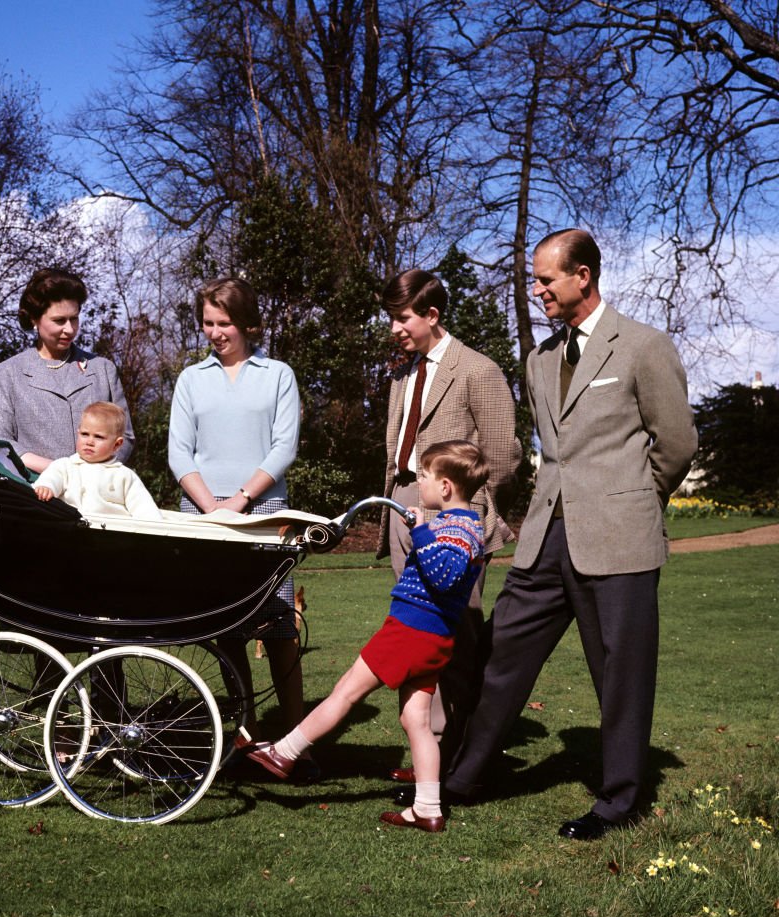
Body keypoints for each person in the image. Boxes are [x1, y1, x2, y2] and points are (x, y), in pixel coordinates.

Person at [443, 228, 699, 840]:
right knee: (500, 649)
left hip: (619, 537)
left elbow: (678, 444)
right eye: (535, 280)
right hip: (544, 536)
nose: (537, 291)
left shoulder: (642, 346)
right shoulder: (538, 360)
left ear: (583, 275)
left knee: (620, 669)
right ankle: (461, 776)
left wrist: (633, 501)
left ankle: (619, 800)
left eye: (546, 279)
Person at [247, 441, 488, 833]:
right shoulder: (460, 524)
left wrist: (422, 532)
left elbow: (445, 575)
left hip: (411, 632)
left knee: (344, 693)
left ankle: (284, 751)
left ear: (445, 486)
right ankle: (427, 807)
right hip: (432, 638)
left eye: (423, 476)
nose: (419, 482)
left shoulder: (458, 528)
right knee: (417, 722)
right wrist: (423, 526)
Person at [378, 268, 521, 792]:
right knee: (416, 626)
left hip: (453, 516)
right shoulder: (402, 373)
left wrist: (464, 511)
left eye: (402, 317)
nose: (394, 327)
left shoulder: (477, 370)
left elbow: (502, 456)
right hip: (403, 507)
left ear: (432, 315)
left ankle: (463, 748)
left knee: (458, 630)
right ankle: (428, 746)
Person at [167, 277, 305, 766]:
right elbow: (179, 452)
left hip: (266, 513)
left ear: (247, 322)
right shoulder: (191, 379)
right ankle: (245, 734)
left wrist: (242, 500)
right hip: (206, 516)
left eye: (224, 322)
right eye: (207, 323)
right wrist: (212, 508)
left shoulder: (278, 375)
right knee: (227, 627)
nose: (215, 332)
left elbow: (283, 448)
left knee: (279, 626)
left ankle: (294, 739)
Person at [0, 267, 134, 473]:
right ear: (34, 320)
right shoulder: (8, 373)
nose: (70, 329)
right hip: (34, 492)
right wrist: (62, 471)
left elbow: (125, 435)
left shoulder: (103, 369)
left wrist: (97, 473)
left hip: (97, 491)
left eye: (74, 318)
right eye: (59, 321)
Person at [33, 402, 161, 521]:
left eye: (98, 437)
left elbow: (145, 508)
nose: (89, 442)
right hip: (70, 528)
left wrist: (154, 528)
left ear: (117, 444)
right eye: (84, 434)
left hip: (110, 534)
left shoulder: (124, 475)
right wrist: (46, 487)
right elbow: (52, 478)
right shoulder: (65, 466)